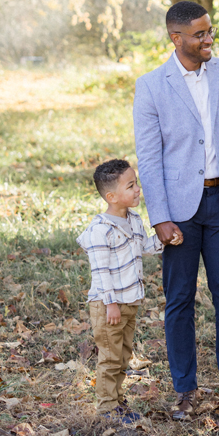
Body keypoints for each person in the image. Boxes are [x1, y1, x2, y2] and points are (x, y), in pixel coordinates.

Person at [133, 1, 219, 424]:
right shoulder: (152, 86)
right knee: (180, 301)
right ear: (176, 38)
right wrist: (160, 216)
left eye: (210, 32)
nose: (209, 39)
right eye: (200, 34)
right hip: (179, 211)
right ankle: (185, 391)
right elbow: (150, 159)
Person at [77, 159, 173, 423]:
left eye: (136, 183)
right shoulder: (100, 231)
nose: (138, 189)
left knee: (123, 355)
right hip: (109, 306)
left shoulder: (133, 220)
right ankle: (107, 408)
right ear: (112, 196)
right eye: (130, 186)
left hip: (130, 302)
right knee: (109, 358)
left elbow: (142, 248)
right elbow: (101, 272)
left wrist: (165, 241)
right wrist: (111, 304)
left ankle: (118, 401)